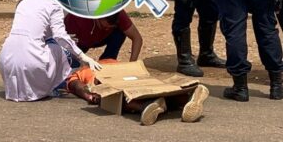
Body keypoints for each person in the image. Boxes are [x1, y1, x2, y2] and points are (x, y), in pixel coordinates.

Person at [0, 0, 102, 102]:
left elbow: (33, 31)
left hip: (6, 59)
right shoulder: (54, 4)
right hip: (31, 61)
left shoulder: (24, 2)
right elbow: (60, 36)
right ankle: (54, 86)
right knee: (60, 50)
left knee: (49, 45)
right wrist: (82, 56)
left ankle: (24, 89)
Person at [66, 59, 210, 126]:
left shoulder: (81, 72)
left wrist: (90, 96)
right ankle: (186, 98)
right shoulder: (112, 60)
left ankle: (145, 106)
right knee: (154, 89)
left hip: (106, 79)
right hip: (128, 71)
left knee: (121, 99)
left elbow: (75, 85)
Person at [64, 10, 143, 62]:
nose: (107, 28)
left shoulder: (119, 14)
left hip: (101, 38)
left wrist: (132, 63)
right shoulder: (77, 17)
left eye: (110, 28)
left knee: (120, 32)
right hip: (79, 42)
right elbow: (65, 42)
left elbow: (137, 38)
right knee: (71, 64)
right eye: (104, 27)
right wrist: (82, 61)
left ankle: (107, 61)